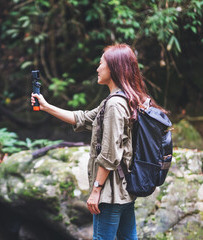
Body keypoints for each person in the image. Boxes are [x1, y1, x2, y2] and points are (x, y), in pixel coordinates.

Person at [31, 44, 168, 240]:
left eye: (101, 63)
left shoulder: (114, 105)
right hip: (125, 189)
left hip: (111, 193)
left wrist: (96, 191)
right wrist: (46, 107)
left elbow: (111, 154)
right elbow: (84, 119)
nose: (97, 68)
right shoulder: (125, 99)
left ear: (114, 68)